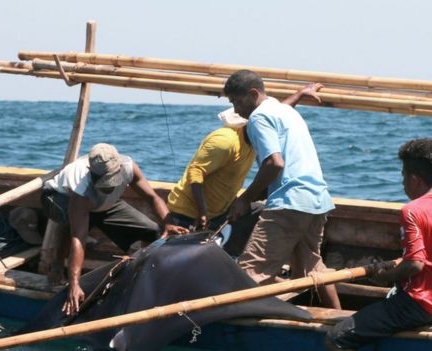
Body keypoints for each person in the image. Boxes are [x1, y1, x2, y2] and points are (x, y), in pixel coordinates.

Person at [325, 138, 432, 350]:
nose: (402, 183)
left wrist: (383, 277)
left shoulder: (411, 211)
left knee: (335, 338)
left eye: (403, 177)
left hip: (417, 305)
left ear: (414, 180)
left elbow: (416, 264)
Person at [223, 69, 341, 309]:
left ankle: (237, 329)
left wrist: (245, 199)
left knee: (250, 272)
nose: (236, 110)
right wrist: (299, 93)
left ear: (252, 94)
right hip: (317, 201)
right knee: (314, 269)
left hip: (289, 204)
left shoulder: (258, 118)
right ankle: (341, 321)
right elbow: (280, 112)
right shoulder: (285, 110)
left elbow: (274, 163)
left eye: (236, 101)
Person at [166, 83, 325, 256]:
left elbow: (278, 113)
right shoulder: (225, 141)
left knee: (260, 209)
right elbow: (195, 172)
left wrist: (299, 94)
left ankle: (234, 254)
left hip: (219, 211)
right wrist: (202, 211)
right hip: (191, 213)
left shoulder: (255, 139)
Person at [41, 143, 188, 315]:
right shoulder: (80, 185)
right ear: (91, 171)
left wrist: (168, 223)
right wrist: (74, 284)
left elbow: (153, 198)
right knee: (74, 224)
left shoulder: (128, 167)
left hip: (102, 203)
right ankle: (57, 265)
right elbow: (78, 238)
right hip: (60, 199)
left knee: (152, 231)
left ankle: (141, 275)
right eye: (106, 182)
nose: (111, 185)